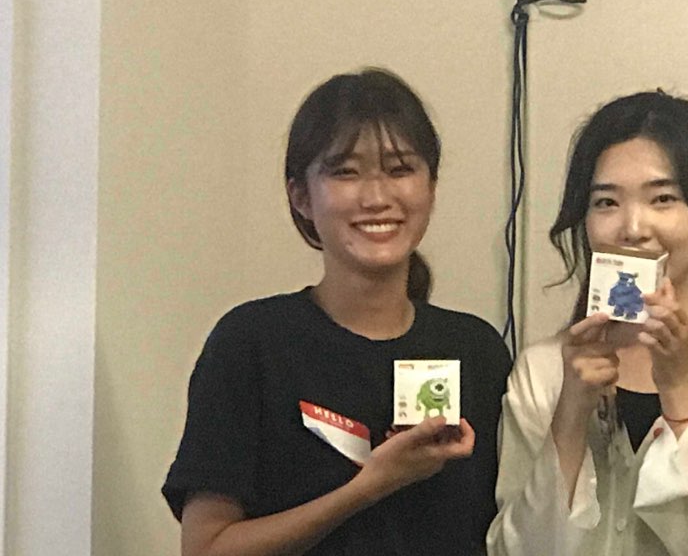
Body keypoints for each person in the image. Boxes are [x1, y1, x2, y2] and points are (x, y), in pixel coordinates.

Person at [163, 68, 512, 556]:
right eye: (345, 172)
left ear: (431, 187)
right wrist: (370, 486)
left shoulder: (475, 350)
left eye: (400, 169)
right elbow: (206, 547)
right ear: (300, 196)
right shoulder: (251, 344)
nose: (377, 197)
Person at [487, 90, 688, 555]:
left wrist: (680, 391)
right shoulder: (544, 368)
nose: (633, 227)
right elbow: (518, 550)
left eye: (662, 198)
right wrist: (570, 413)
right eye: (606, 202)